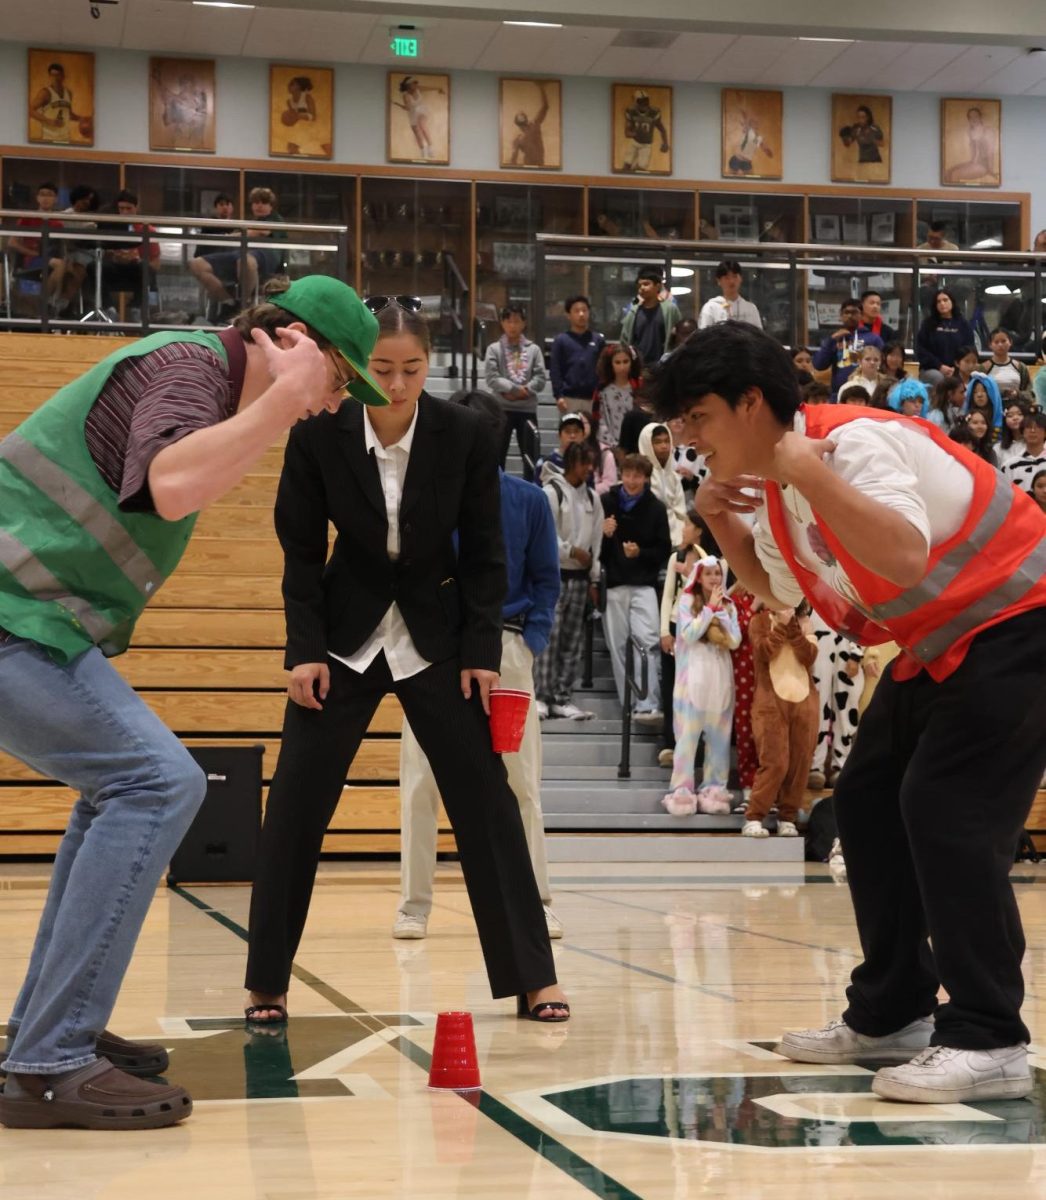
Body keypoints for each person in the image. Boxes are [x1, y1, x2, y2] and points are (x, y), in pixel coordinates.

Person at [0, 274, 377, 1131]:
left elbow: (183, 480)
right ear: (291, 341)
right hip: (10, 617)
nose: (335, 402)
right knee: (160, 782)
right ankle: (52, 1059)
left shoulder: (207, 387)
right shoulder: (188, 367)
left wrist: (276, 405)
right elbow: (170, 485)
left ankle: (47, 1030)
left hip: (30, 623)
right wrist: (283, 400)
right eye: (341, 377)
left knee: (127, 786)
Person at [646, 320, 1045, 1106]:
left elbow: (902, 553)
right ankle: (894, 1012)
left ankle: (990, 1036)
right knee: (863, 800)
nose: (688, 439)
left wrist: (803, 471)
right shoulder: (777, 488)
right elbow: (784, 599)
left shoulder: (850, 445)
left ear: (751, 403)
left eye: (698, 418)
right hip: (942, 641)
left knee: (945, 810)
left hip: (1022, 619)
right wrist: (725, 522)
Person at [243, 298, 568, 1027]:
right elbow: (299, 552)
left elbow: (486, 554)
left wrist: (482, 652)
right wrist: (302, 652)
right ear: (357, 367)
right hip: (343, 636)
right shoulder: (320, 431)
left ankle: (532, 977)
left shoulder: (466, 434)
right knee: (295, 802)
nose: (396, 384)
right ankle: (266, 981)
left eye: (412, 369)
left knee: (487, 802)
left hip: (437, 636)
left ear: (431, 364)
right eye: (381, 369)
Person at [395, 390, 562, 939]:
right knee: (420, 781)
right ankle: (414, 905)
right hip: (430, 654)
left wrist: (528, 643)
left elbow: (545, 581)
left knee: (520, 781)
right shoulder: (427, 501)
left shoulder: (530, 501)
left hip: (508, 654)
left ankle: (535, 899)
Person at [660, 557, 740, 817]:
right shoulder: (685, 602)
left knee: (719, 738)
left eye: (717, 573)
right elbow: (689, 635)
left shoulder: (729, 606)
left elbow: (735, 641)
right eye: (709, 574)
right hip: (691, 678)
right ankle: (681, 790)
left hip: (720, 678)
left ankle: (715, 788)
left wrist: (720, 613)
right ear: (699, 577)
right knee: (687, 737)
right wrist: (708, 610)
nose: (715, 578)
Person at [600, 454, 672, 725]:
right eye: (627, 474)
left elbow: (663, 548)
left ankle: (648, 703)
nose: (631, 481)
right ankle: (628, 704)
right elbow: (598, 550)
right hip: (615, 584)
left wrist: (640, 552)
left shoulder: (656, 508)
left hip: (644, 584)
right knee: (618, 645)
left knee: (648, 640)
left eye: (637, 476)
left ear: (646, 478)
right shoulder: (607, 501)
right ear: (621, 474)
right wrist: (604, 534)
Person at [534, 441, 602, 722]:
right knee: (549, 637)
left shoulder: (593, 498)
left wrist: (594, 578)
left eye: (591, 463)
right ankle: (540, 696)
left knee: (572, 640)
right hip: (554, 575)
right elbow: (545, 535)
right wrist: (571, 551)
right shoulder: (552, 492)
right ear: (571, 461)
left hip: (580, 577)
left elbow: (597, 541)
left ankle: (562, 697)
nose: (588, 469)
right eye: (583, 462)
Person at [744, 606, 819, 838]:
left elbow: (809, 657)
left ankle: (787, 816)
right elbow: (764, 652)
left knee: (800, 763)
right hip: (770, 701)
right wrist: (782, 628)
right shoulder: (759, 621)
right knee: (775, 762)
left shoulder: (805, 623)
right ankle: (754, 816)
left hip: (804, 700)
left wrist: (794, 628)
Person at [657, 510, 708, 766]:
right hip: (677, 625)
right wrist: (664, 631)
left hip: (702, 629)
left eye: (687, 524)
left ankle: (698, 744)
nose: (683, 528)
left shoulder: (712, 560)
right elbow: (668, 596)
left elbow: (712, 593)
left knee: (697, 689)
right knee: (672, 688)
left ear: (699, 529)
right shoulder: (674, 557)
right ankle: (670, 743)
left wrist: (690, 575)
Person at [190, 187, 286, 320]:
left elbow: (259, 231)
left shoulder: (275, 219)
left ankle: (242, 307)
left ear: (271, 206)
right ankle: (228, 302)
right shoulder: (250, 222)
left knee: (246, 261)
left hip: (264, 257)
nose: (259, 205)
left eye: (263, 202)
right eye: (255, 202)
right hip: (241, 254)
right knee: (197, 264)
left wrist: (228, 236)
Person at [484, 304, 547, 480]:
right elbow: (491, 378)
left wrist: (525, 390)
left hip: (527, 409)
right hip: (500, 409)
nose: (513, 325)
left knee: (531, 455)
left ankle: (531, 490)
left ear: (524, 324)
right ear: (502, 323)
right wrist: (513, 389)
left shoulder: (533, 350)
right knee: (497, 454)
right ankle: (496, 491)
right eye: (509, 321)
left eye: (517, 321)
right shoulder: (494, 349)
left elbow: (541, 378)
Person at [100, 190, 160, 317]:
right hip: (114, 270)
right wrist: (112, 256)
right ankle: (108, 308)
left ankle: (137, 308)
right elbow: (101, 253)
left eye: (129, 208)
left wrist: (137, 259)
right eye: (121, 208)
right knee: (93, 267)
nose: (125, 212)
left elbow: (156, 265)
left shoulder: (147, 230)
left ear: (136, 208)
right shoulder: (110, 228)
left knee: (144, 268)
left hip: (136, 272)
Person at [8, 181, 65, 308]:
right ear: (37, 198)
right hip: (30, 259)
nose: (45, 198)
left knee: (68, 267)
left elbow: (59, 247)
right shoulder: (27, 218)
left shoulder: (58, 224)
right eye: (42, 194)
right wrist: (33, 253)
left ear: (55, 199)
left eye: (49, 195)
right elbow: (12, 242)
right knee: (60, 264)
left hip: (50, 258)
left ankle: (49, 302)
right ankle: (45, 301)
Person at [812, 300, 883, 397]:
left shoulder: (873, 339)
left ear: (861, 315)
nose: (850, 316)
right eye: (846, 312)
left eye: (854, 312)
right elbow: (819, 365)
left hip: (866, 394)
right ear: (841, 315)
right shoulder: (834, 338)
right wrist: (832, 340)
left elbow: (882, 367)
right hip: (838, 394)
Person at [549, 294, 604, 415]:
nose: (581, 314)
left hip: (593, 398)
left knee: (593, 432)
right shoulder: (561, 340)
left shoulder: (598, 340)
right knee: (570, 432)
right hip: (569, 398)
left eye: (584, 310)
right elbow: (555, 370)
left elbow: (603, 369)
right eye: (576, 311)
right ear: (568, 315)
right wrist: (559, 396)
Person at [189, 192, 241, 315]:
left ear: (232, 207)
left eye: (228, 204)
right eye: (221, 204)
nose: (225, 207)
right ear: (216, 207)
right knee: (213, 295)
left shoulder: (238, 226)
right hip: (212, 265)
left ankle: (227, 309)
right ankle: (224, 308)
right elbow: (201, 250)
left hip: (232, 267)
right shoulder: (210, 225)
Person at [638, 421, 687, 543]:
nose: (664, 446)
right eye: (658, 442)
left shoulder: (674, 477)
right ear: (647, 444)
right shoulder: (640, 475)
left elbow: (681, 513)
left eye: (667, 441)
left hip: (676, 538)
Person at [620, 267, 680, 364]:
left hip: (663, 366)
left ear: (658, 286)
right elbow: (625, 339)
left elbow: (678, 335)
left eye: (646, 284)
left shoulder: (670, 309)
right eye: (640, 285)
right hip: (639, 366)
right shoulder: (633, 310)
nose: (642, 288)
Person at [915, 290, 975, 386]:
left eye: (945, 300)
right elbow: (921, 350)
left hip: (958, 369)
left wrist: (957, 368)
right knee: (939, 378)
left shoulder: (963, 324)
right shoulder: (928, 324)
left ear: (952, 302)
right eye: (938, 302)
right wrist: (940, 366)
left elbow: (969, 349)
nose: (942, 303)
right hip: (932, 369)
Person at [593, 342, 641, 455]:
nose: (622, 367)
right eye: (617, 362)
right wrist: (615, 448)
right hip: (611, 446)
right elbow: (600, 421)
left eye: (626, 362)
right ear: (610, 364)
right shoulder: (603, 390)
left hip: (637, 446)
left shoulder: (640, 387)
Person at [30, 62, 86, 145]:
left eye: (58, 75)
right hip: (49, 138)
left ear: (63, 76)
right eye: (52, 75)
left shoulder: (68, 93)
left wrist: (81, 118)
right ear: (49, 76)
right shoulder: (45, 93)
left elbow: (68, 114)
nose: (55, 78)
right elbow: (30, 110)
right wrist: (49, 121)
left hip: (65, 138)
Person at [698, 260, 763, 330]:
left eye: (735, 276)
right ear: (719, 281)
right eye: (727, 278)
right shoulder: (711, 308)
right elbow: (703, 336)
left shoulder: (751, 308)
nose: (731, 281)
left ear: (741, 278)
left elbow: (758, 336)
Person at [944, 106, 999, 184]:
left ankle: (957, 195)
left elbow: (990, 152)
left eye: (975, 116)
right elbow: (974, 151)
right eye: (970, 117)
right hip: (974, 163)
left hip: (983, 166)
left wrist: (990, 170)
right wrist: (971, 163)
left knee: (955, 174)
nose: (973, 119)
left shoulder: (988, 131)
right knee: (947, 172)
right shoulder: (971, 132)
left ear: (980, 117)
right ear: (969, 119)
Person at [394, 76, 445, 160]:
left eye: (416, 83)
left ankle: (430, 148)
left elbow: (429, 88)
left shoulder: (418, 89)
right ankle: (423, 150)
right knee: (417, 132)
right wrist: (399, 105)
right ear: (408, 85)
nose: (415, 85)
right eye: (413, 83)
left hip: (422, 110)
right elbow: (408, 108)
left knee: (422, 125)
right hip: (412, 113)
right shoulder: (406, 96)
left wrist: (439, 88)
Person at [281, 76, 331, 158]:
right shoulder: (289, 101)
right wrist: (287, 119)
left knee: (324, 148)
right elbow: (293, 119)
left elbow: (313, 117)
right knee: (291, 148)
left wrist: (299, 116)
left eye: (292, 84)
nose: (288, 86)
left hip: (313, 127)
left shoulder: (307, 97)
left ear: (299, 86)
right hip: (300, 129)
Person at [621, 90, 669, 173]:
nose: (644, 103)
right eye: (641, 101)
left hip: (646, 144)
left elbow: (662, 129)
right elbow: (627, 133)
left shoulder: (654, 112)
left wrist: (665, 143)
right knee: (626, 165)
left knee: (640, 169)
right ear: (636, 102)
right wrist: (634, 133)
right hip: (634, 142)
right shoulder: (631, 111)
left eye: (646, 100)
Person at [534, 411, 585, 485]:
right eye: (567, 431)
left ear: (583, 435)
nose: (572, 435)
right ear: (559, 435)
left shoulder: (586, 464)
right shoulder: (545, 463)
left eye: (576, 431)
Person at [1001, 411, 1046, 492]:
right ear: (1023, 432)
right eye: (1028, 427)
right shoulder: (1010, 465)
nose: (1032, 431)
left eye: (1038, 427)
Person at [510, 81, 550, 167]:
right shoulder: (517, 139)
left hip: (540, 165)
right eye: (519, 116)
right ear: (517, 122)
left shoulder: (534, 125)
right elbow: (513, 160)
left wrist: (541, 88)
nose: (521, 117)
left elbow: (545, 107)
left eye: (522, 115)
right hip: (528, 166)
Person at [980, 328, 1030, 396]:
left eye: (1003, 341)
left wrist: (1017, 394)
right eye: (996, 342)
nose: (1000, 345)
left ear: (1010, 342)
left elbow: (1030, 392)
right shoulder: (983, 368)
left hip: (1017, 404)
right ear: (990, 345)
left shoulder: (1020, 367)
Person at [725, 106, 775, 175]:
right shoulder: (748, 131)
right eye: (754, 123)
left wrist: (767, 151)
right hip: (737, 160)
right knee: (737, 177)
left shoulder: (758, 138)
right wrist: (742, 109)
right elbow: (745, 117)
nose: (756, 125)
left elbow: (764, 148)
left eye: (757, 123)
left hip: (747, 164)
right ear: (751, 124)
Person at [963, 372, 1003, 437]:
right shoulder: (965, 422)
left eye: (984, 391)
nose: (979, 395)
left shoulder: (1004, 424)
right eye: (975, 392)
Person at [997, 399, 1030, 468]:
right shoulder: (998, 448)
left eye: (1019, 414)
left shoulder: (1036, 443)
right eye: (1010, 415)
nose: (1015, 418)